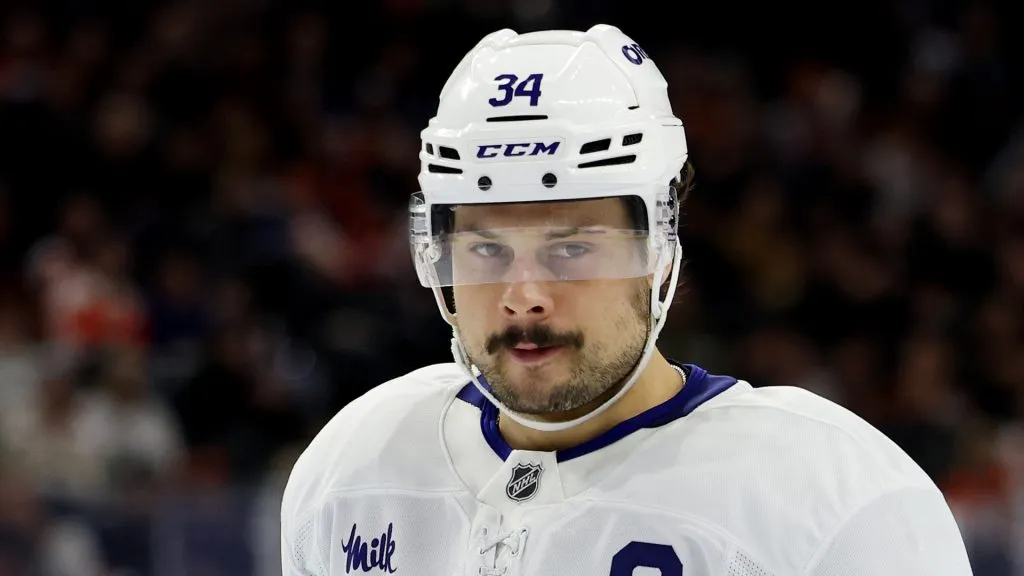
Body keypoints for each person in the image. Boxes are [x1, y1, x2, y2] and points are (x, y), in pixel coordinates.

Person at [280, 24, 973, 575]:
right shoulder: (356, 466)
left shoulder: (834, 499)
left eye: (571, 249)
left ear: (660, 247)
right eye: (487, 250)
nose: (524, 297)